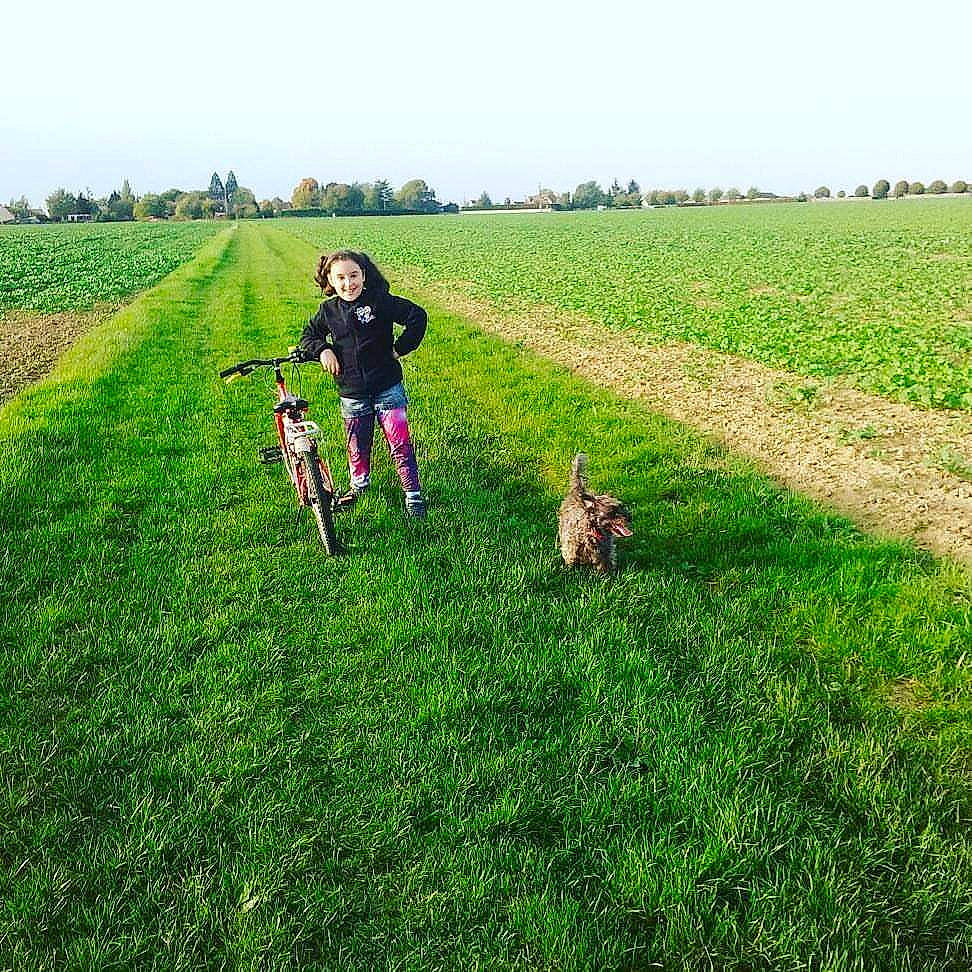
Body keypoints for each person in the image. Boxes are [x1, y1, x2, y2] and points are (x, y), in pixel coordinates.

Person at [300, 250, 428, 517]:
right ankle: (359, 485)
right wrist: (323, 350)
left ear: (364, 275)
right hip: (352, 392)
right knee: (357, 443)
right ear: (331, 281)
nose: (349, 283)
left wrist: (400, 348)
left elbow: (417, 315)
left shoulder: (380, 301)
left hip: (387, 387)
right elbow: (309, 336)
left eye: (354, 275)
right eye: (341, 278)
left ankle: (413, 495)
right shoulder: (328, 311)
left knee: (400, 442)